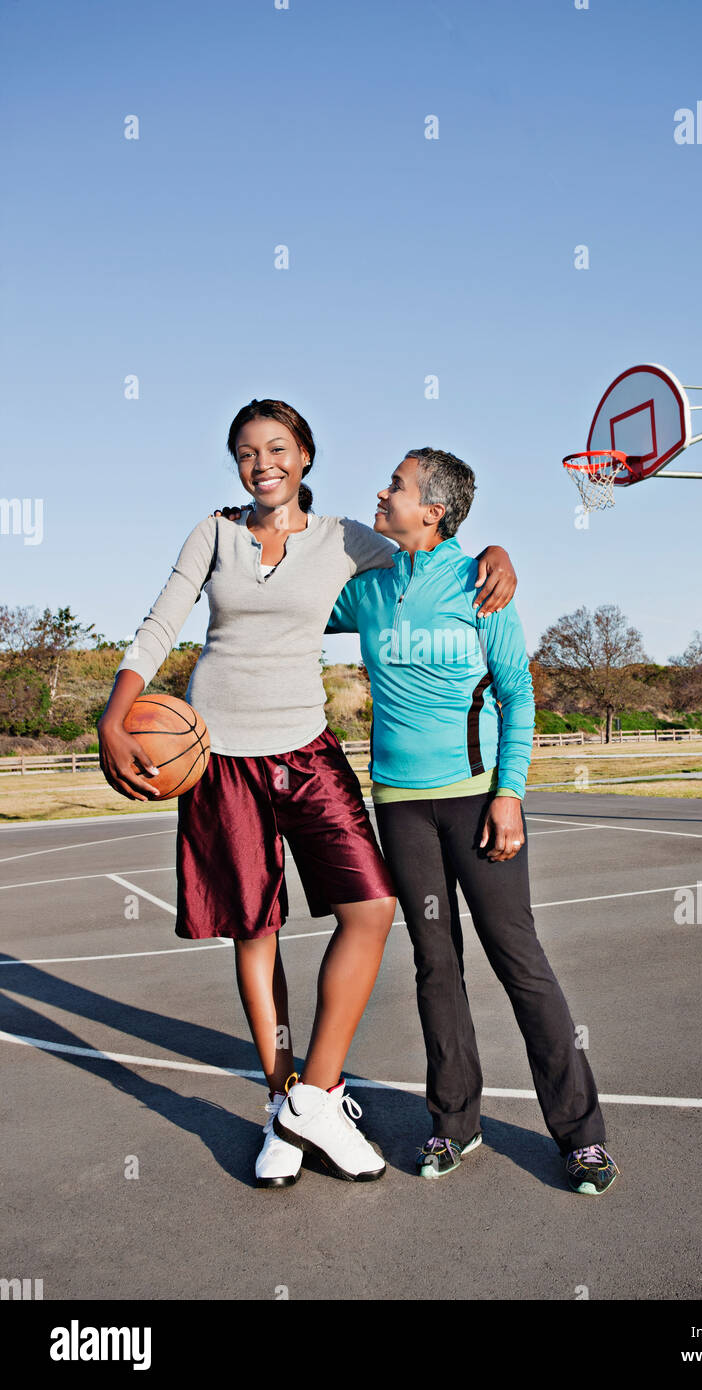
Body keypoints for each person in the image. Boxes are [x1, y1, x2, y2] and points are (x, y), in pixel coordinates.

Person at [98, 400, 517, 1188]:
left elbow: (426, 554)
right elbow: (160, 623)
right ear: (237, 465)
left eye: (279, 448)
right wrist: (116, 712)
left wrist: (491, 549)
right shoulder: (213, 533)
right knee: (255, 933)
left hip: (306, 750)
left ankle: (315, 1096)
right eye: (248, 451)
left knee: (371, 909)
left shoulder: (343, 541)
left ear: (306, 457)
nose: (264, 463)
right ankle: (280, 1101)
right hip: (218, 754)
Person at [309, 448, 619, 1195]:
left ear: (433, 510)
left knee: (519, 960)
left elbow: (518, 694)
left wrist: (509, 794)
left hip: (478, 799)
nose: (382, 492)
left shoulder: (482, 583)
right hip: (400, 805)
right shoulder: (369, 590)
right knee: (434, 964)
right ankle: (454, 1122)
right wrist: (254, 526)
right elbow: (296, 595)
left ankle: (580, 1136)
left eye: (397, 485)